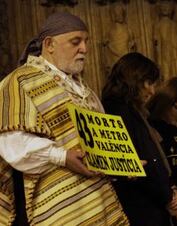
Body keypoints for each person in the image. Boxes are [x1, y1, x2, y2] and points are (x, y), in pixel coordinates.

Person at [0, 12, 128, 225]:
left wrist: (122, 162)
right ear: (49, 44)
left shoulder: (82, 88)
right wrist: (62, 156)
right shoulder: (20, 81)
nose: (84, 49)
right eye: (75, 42)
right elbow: (12, 144)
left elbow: (102, 141)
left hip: (100, 201)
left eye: (86, 42)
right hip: (59, 206)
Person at [101, 52, 177, 226]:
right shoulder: (118, 111)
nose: (152, 91)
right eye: (148, 83)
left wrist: (171, 190)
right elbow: (139, 161)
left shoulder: (134, 111)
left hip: (151, 203)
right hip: (139, 207)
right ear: (133, 79)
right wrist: (167, 196)